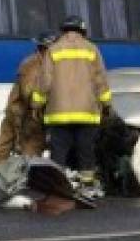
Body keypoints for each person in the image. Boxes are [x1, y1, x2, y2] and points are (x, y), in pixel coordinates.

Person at [33, 15, 111, 195]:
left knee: (58, 153)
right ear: (82, 31)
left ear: (63, 31)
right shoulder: (92, 50)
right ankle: (87, 187)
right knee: (86, 152)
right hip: (87, 113)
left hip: (58, 114)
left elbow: (44, 81)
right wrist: (106, 104)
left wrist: (37, 104)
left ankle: (57, 187)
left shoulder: (53, 50)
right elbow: (101, 81)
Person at [0, 31, 55, 167]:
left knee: (4, 145)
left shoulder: (42, 63)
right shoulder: (33, 64)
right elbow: (28, 93)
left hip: (19, 111)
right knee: (31, 148)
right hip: (24, 114)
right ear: (46, 48)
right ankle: (26, 179)